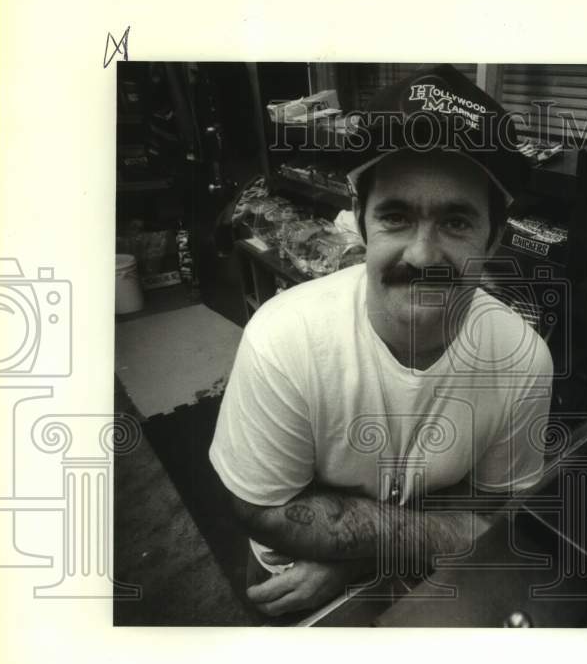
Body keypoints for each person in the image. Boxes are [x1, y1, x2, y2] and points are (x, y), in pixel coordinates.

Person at [209, 64, 555, 618]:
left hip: (412, 575)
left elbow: (493, 512)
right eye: (395, 217)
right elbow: (261, 507)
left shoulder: (521, 360)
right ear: (362, 226)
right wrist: (426, 535)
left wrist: (356, 554)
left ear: (493, 238)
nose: (422, 255)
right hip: (294, 580)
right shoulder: (283, 340)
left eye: (457, 222)